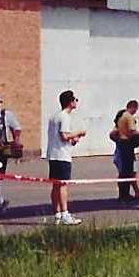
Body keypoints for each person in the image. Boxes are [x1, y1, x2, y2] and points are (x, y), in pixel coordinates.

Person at [45, 90, 86, 225]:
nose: (76, 102)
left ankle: (57, 214)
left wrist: (74, 139)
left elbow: (62, 137)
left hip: (53, 154)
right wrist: (79, 132)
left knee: (56, 185)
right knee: (63, 185)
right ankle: (64, 214)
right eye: (75, 99)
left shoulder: (54, 117)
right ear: (70, 102)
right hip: (62, 156)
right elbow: (64, 136)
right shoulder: (65, 117)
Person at [112, 99, 139, 203]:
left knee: (124, 171)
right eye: (136, 109)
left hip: (121, 144)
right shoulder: (129, 117)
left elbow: (113, 133)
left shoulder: (121, 116)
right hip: (127, 145)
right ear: (133, 107)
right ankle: (125, 195)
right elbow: (132, 132)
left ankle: (123, 194)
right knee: (128, 171)